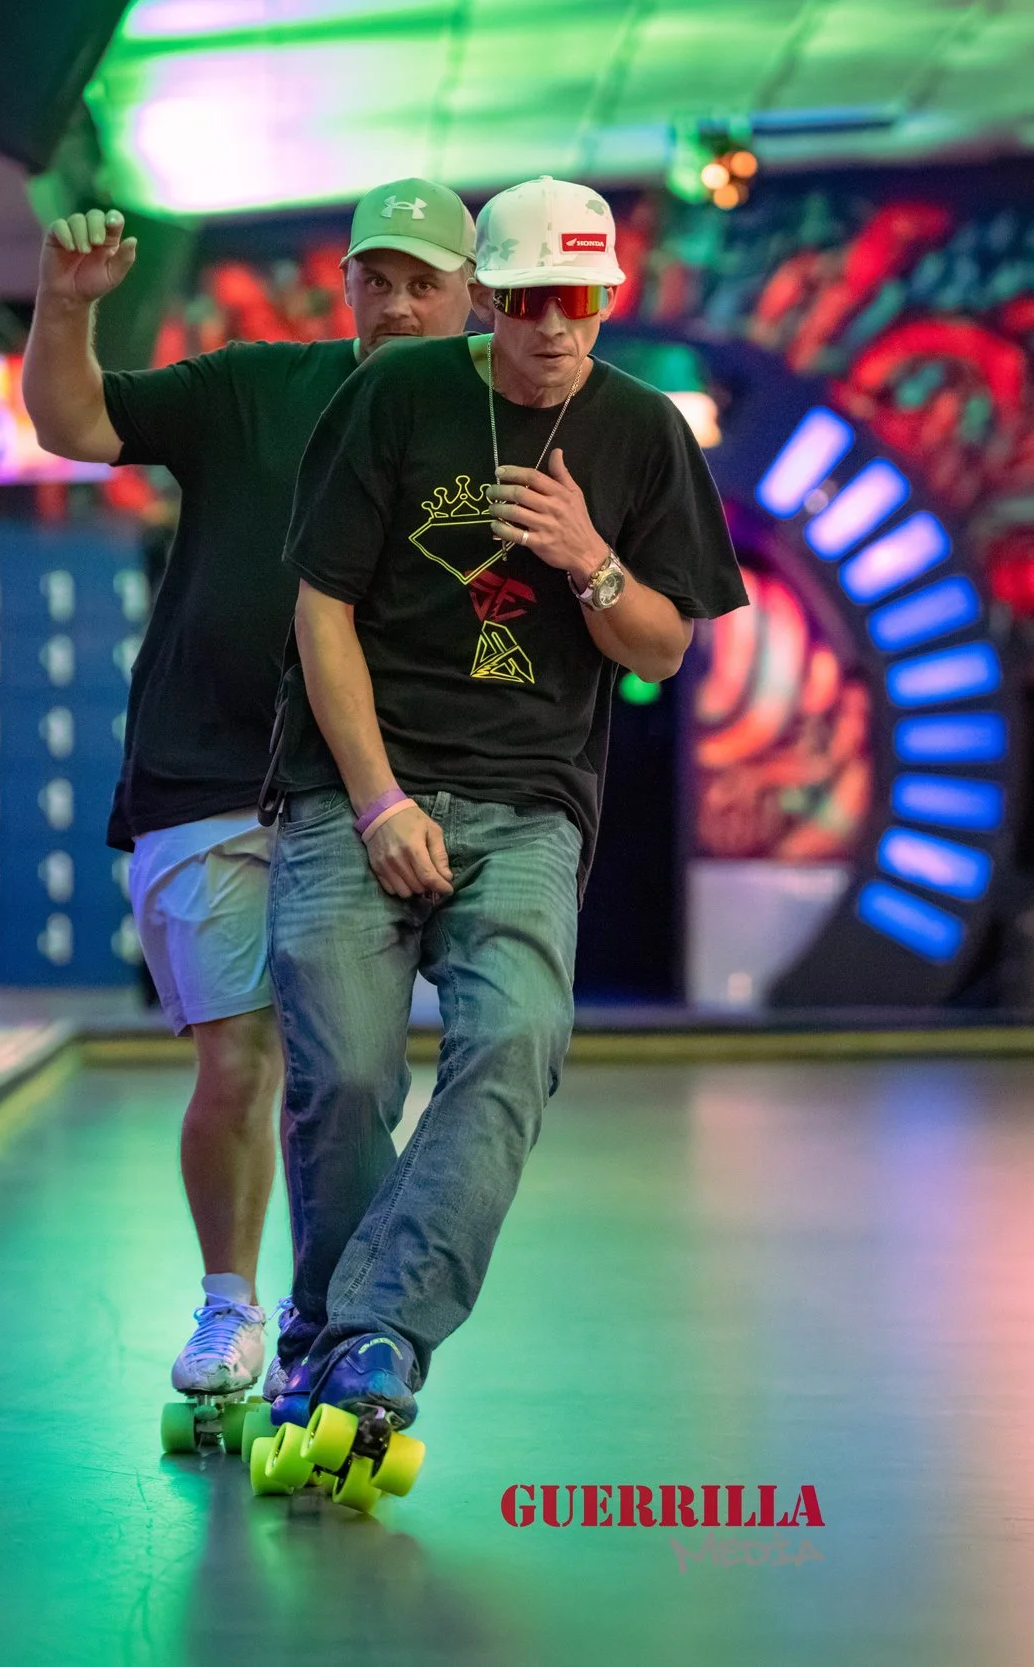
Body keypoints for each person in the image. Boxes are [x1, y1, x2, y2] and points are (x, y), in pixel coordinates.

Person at [258, 174, 747, 1480]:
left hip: (529, 802)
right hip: (351, 787)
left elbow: (663, 647)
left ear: (605, 302)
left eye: (576, 303)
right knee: (348, 1074)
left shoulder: (643, 435)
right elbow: (321, 611)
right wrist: (377, 800)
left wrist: (591, 556)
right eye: (527, 301)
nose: (552, 327)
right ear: (485, 298)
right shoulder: (396, 397)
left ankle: (366, 1336)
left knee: (520, 1035)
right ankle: (327, 1328)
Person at [22, 179, 480, 1406]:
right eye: (373, 278)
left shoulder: (496, 429)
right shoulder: (253, 386)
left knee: (343, 1073)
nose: (393, 302)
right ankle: (232, 1301)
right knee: (239, 1057)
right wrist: (66, 308)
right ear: (346, 287)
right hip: (202, 774)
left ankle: (328, 1314)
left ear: (470, 295)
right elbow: (72, 424)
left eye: (420, 281)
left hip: (358, 790)